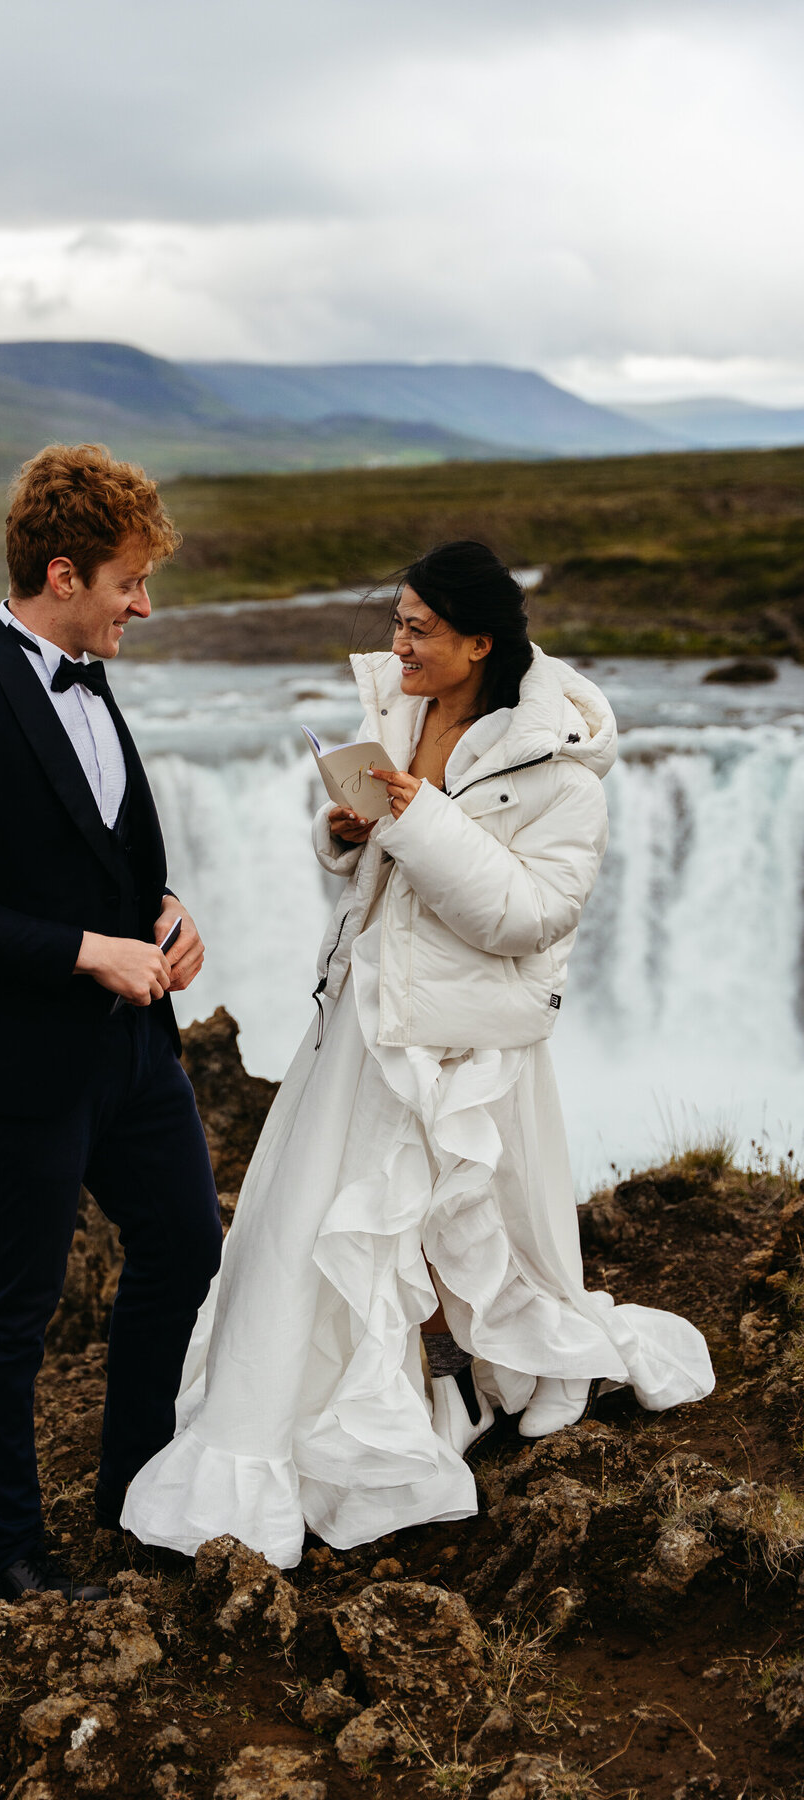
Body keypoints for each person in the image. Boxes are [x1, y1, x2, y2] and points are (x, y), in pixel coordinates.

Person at [121, 540, 714, 1571]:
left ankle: (496, 1382)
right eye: (394, 620)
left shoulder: (561, 771)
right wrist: (348, 830)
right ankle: (385, 1408)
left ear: (480, 642)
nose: (396, 643)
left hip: (465, 1030)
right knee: (333, 1232)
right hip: (366, 1015)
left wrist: (415, 817)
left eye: (418, 629)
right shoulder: (400, 711)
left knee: (451, 1225)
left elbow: (530, 916)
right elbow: (371, 866)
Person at [0, 443, 222, 1602]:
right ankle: (10, 1558)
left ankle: (136, 1499)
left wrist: (164, 915)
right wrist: (91, 951)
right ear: (65, 573)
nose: (146, 603)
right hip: (18, 1064)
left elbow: (99, 849)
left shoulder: (91, 674)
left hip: (133, 1052)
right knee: (11, 1313)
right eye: (132, 581)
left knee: (186, 1245)